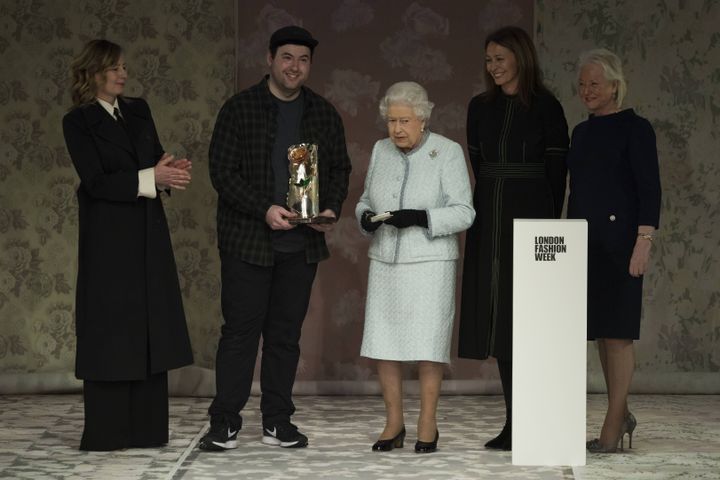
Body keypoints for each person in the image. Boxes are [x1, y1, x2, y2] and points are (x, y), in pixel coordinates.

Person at [199, 26, 351, 451]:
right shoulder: (240, 109)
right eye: (287, 57)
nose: (294, 67)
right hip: (247, 241)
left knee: (285, 338)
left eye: (303, 60)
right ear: (269, 59)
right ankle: (225, 422)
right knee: (240, 334)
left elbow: (339, 169)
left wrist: (331, 208)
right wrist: (263, 208)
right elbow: (222, 173)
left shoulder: (322, 113)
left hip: (300, 245)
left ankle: (277, 422)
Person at [62, 39, 194, 451]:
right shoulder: (78, 122)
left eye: (123, 66)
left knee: (148, 329)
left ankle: (147, 431)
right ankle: (110, 432)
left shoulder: (138, 110)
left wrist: (166, 171)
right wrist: (150, 178)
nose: (123, 73)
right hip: (109, 242)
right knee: (112, 330)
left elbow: (151, 161)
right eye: (114, 67)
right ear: (94, 71)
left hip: (146, 236)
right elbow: (96, 181)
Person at [457, 26, 569, 451]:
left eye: (500, 58)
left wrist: (548, 229)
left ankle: (539, 419)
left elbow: (558, 175)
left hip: (533, 216)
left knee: (530, 320)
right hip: (489, 219)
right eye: (488, 60)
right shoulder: (479, 107)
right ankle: (513, 423)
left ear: (521, 57)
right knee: (500, 319)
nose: (493, 67)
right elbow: (478, 164)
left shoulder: (547, 107)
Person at [357, 81, 475, 454]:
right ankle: (393, 423)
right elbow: (364, 199)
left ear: (423, 118)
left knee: (428, 345)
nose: (396, 129)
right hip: (386, 260)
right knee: (384, 344)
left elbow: (464, 212)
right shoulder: (380, 150)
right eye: (391, 121)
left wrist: (421, 217)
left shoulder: (448, 151)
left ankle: (428, 423)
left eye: (404, 120)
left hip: (430, 264)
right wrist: (365, 219)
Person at [568, 48, 661, 453]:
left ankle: (613, 421)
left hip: (623, 244)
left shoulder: (635, 128)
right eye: (582, 85)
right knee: (600, 333)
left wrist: (644, 242)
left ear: (614, 86)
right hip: (584, 244)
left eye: (595, 84)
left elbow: (649, 189)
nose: (587, 91)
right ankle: (619, 413)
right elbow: (578, 192)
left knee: (619, 333)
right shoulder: (581, 132)